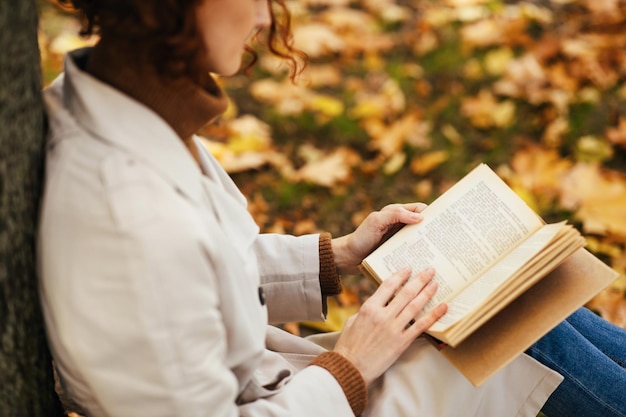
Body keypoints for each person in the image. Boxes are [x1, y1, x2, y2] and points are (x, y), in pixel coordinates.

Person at [37, 0, 626, 416]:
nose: (266, 16)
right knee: (515, 326)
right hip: (307, 401)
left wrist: (336, 256)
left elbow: (193, 271)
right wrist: (352, 364)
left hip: (291, 386)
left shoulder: (117, 103)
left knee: (518, 292)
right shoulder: (118, 213)